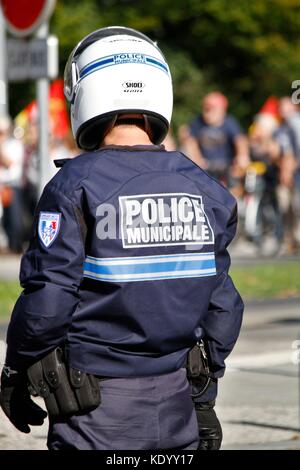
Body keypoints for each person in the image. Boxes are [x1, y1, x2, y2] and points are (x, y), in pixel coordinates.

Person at [0, 27, 244, 450]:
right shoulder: (205, 188)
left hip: (95, 411)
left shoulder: (73, 186)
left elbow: (49, 300)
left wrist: (16, 371)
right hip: (178, 402)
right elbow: (223, 303)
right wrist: (203, 394)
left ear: (86, 91)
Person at [185, 91, 249, 188]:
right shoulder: (198, 122)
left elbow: (240, 140)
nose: (208, 112)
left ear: (222, 110)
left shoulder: (229, 122)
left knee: (235, 181)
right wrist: (196, 158)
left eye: (212, 109)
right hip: (206, 165)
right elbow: (190, 142)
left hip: (227, 165)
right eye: (206, 109)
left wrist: (242, 156)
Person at [0, 115, 25, 253]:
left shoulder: (14, 145)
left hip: (12, 185)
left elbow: (9, 163)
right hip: (2, 185)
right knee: (4, 220)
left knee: (15, 219)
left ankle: (16, 246)